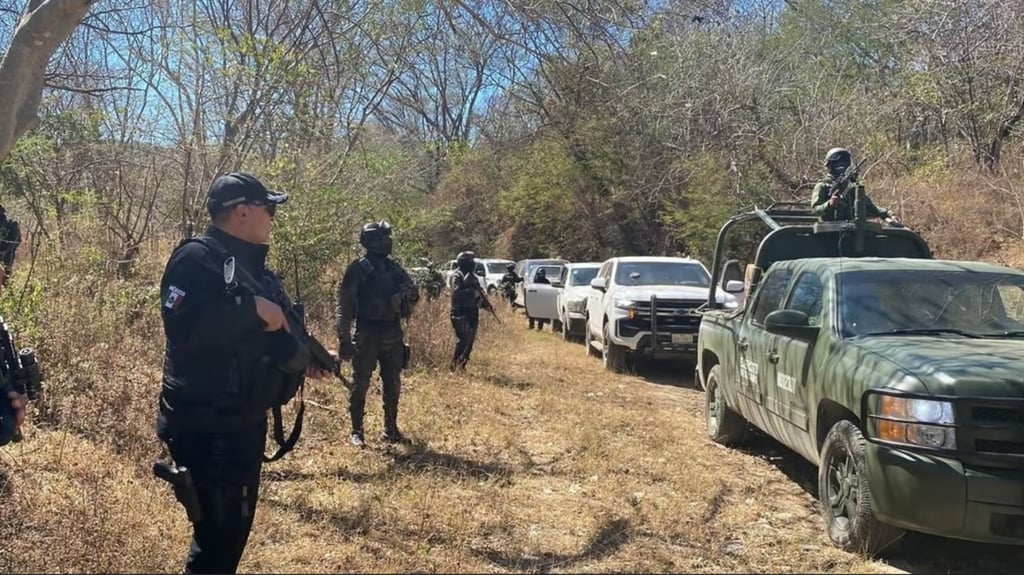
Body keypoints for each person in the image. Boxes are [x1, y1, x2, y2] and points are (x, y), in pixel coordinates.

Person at [156, 172, 333, 574]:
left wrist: (307, 359)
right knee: (217, 541)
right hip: (208, 425)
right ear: (241, 212)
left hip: (243, 421)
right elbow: (182, 331)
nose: (273, 216)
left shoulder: (258, 270)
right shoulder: (195, 259)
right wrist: (250, 310)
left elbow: (269, 336)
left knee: (230, 537)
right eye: (268, 208)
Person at [336, 220, 420, 448]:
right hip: (367, 332)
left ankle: (391, 429)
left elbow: (413, 293)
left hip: (392, 331)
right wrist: (344, 339)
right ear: (372, 242)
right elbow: (345, 307)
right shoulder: (358, 269)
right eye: (384, 238)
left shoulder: (393, 268)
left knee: (392, 383)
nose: (388, 242)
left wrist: (407, 295)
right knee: (360, 383)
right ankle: (356, 431)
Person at [810, 147, 900, 224]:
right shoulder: (822, 186)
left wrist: (889, 213)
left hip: (850, 231)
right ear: (829, 165)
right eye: (837, 164)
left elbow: (869, 206)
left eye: (843, 164)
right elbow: (815, 210)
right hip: (827, 231)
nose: (841, 166)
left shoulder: (850, 187)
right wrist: (829, 204)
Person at [449, 251, 494, 371]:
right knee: (463, 339)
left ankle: (462, 365)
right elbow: (456, 293)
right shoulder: (457, 276)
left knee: (470, 340)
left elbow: (479, 294)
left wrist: (485, 305)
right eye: (471, 261)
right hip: (460, 312)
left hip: (472, 312)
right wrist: (470, 292)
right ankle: (454, 366)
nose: (473, 263)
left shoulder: (473, 277)